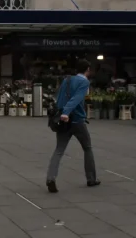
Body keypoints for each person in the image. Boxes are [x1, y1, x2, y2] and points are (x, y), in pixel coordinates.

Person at [46, 59, 99, 193]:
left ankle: (50, 178)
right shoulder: (84, 82)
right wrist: (66, 112)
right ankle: (91, 178)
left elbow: (60, 98)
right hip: (77, 120)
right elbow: (77, 98)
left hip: (63, 122)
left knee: (59, 150)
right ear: (88, 69)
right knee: (87, 148)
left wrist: (61, 113)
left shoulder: (67, 80)